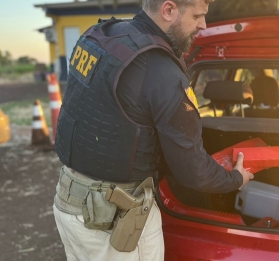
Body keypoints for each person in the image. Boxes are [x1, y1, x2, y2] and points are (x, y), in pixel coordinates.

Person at [52, 0, 254, 260]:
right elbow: (192, 171)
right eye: (197, 16)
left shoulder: (100, 36)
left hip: (69, 202)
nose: (203, 25)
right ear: (169, 10)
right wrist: (235, 179)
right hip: (112, 221)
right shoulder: (161, 72)